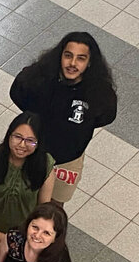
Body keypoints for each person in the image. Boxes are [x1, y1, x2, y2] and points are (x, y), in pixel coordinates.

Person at [9, 31, 117, 206]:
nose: (73, 63)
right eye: (68, 56)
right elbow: (18, 92)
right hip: (30, 152)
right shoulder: (39, 79)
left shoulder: (99, 93)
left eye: (81, 58)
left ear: (89, 63)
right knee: (17, 197)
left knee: (53, 207)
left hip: (67, 161)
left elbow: (105, 115)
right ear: (60, 56)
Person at [0, 112, 55, 254]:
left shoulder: (44, 166)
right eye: (17, 137)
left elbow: (43, 208)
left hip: (24, 234)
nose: (22, 145)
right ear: (9, 135)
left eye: (30, 141)